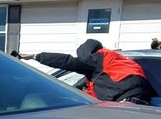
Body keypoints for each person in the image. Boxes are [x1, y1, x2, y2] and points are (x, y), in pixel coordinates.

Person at [16, 39, 153, 104]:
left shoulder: (97, 59)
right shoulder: (116, 59)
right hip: (144, 99)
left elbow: (66, 61)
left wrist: (35, 56)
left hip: (126, 101)